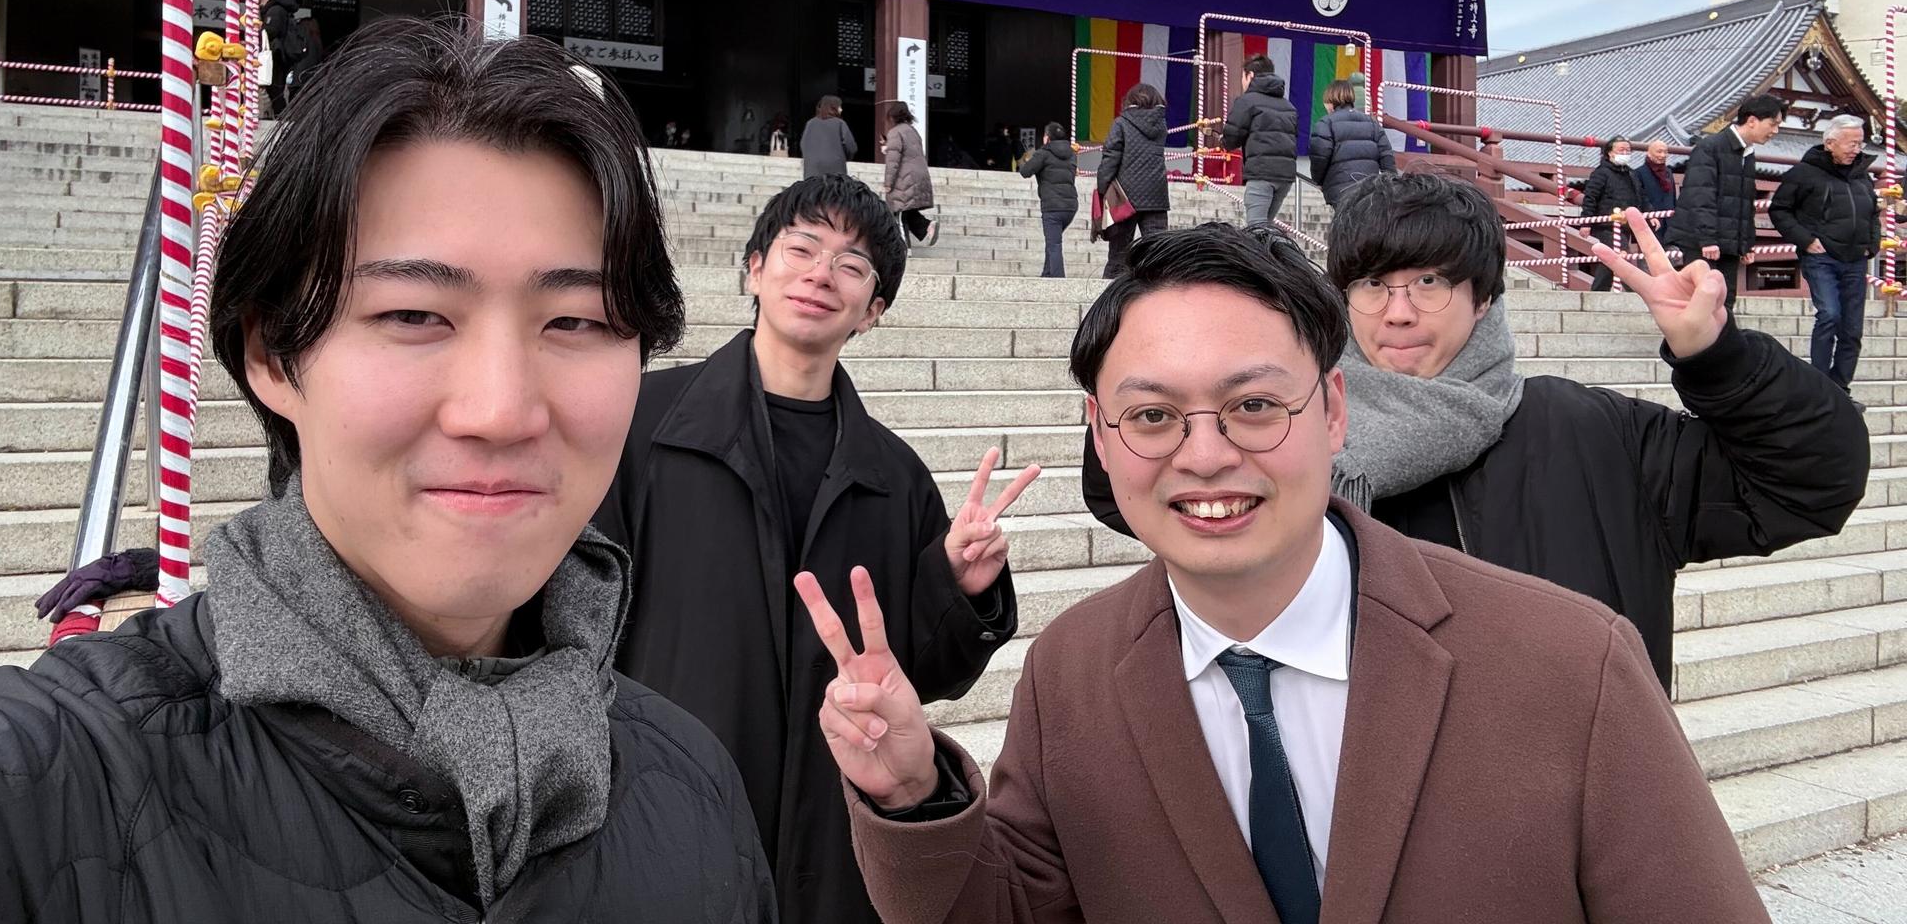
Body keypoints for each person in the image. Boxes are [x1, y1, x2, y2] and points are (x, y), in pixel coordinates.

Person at [0, 22, 775, 920]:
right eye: (414, 315)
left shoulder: (694, 788)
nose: (501, 411)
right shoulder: (22, 793)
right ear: (272, 354)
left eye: (575, 321)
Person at [800, 223, 1774, 924]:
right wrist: (916, 795)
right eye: (1152, 415)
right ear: (1100, 432)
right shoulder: (1074, 671)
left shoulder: (1570, 663)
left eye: (1255, 406)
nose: (1206, 454)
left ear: (1334, 409)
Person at [1084, 171, 1863, 682]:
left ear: (1483, 297)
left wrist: (1717, 356)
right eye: (1373, 284)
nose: (1397, 312)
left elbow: (1808, 484)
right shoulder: (1294, 435)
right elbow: (1130, 490)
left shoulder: (1596, 436)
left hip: (1570, 815)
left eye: (1430, 281)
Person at [599, 173, 1029, 924]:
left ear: (874, 310)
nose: (822, 274)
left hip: (827, 845)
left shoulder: (894, 476)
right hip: (659, 814)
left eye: (852, 265)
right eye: (802, 248)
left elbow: (926, 674)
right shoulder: (641, 427)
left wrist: (959, 586)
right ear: (754, 268)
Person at [1772, 114, 1880, 402]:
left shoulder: (1862, 175)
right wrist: (1806, 240)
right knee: (1829, 315)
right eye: (1851, 143)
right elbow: (1779, 209)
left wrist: (1872, 244)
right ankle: (1818, 386)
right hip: (1821, 257)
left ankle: (1840, 389)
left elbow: (1873, 213)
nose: (1857, 149)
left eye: (1860, 143)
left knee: (1852, 328)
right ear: (1830, 143)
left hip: (1856, 258)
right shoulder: (1804, 173)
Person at [1672, 92, 1783, 306]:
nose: (1775, 131)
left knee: (1725, 303)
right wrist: (1708, 239)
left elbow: (1745, 202)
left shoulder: (1747, 153)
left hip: (1729, 242)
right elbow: (1700, 195)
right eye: (1773, 124)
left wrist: (1746, 243)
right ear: (1752, 120)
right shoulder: (1710, 147)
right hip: (1702, 242)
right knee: (1703, 303)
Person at [1096, 83, 1170, 278]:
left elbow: (1110, 158)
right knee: (1158, 253)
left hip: (1124, 195)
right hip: (1156, 195)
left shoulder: (1121, 123)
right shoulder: (1160, 125)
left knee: (1118, 256)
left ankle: (1110, 292)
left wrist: (1102, 188)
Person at [1219, 54, 1299, 226]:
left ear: (1250, 75)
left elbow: (1232, 135)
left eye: (1242, 76)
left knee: (1256, 226)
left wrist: (1224, 142)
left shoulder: (1247, 101)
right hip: (1285, 176)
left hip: (1261, 172)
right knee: (1266, 225)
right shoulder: (1288, 106)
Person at [1307, 78, 1395, 209]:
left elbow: (1320, 157)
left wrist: (1318, 180)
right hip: (1371, 190)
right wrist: (1392, 184)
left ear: (1330, 101)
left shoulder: (1326, 123)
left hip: (1341, 190)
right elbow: (1386, 156)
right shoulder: (1372, 123)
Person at [1576, 136, 1643, 291]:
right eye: (1621, 150)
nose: (1625, 153)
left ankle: (1598, 292)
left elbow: (1641, 196)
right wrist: (1586, 222)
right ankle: (1637, 291)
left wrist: (1649, 214)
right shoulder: (1601, 173)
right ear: (1610, 153)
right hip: (1606, 224)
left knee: (1610, 259)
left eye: (1628, 150)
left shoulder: (1631, 174)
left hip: (1625, 224)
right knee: (1621, 256)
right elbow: (1590, 198)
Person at [1019, 120, 1079, 277]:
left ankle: (1058, 281)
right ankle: (1046, 275)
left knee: (1054, 244)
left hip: (1053, 206)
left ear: (1047, 137)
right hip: (1071, 206)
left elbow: (1025, 172)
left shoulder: (1043, 153)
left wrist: (1026, 159)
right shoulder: (1072, 154)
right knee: (1053, 241)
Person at [882, 103, 938, 247]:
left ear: (893, 117)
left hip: (905, 179)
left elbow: (893, 161)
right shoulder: (913, 132)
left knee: (898, 215)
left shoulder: (895, 132)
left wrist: (888, 183)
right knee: (907, 212)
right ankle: (927, 226)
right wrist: (888, 148)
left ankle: (904, 248)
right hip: (919, 176)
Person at [800, 94, 856, 178]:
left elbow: (803, 144)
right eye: (839, 107)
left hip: (812, 170)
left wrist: (810, 158)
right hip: (835, 170)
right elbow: (851, 147)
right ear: (833, 108)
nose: (841, 109)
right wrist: (844, 158)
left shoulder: (810, 123)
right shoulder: (840, 124)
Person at [1634, 138, 1678, 242]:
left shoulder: (1668, 172)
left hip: (1669, 221)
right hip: (1651, 220)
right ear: (1649, 153)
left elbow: (1672, 198)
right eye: (1659, 152)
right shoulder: (1639, 173)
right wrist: (1650, 215)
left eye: (1665, 152)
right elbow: (1640, 197)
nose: (1663, 155)